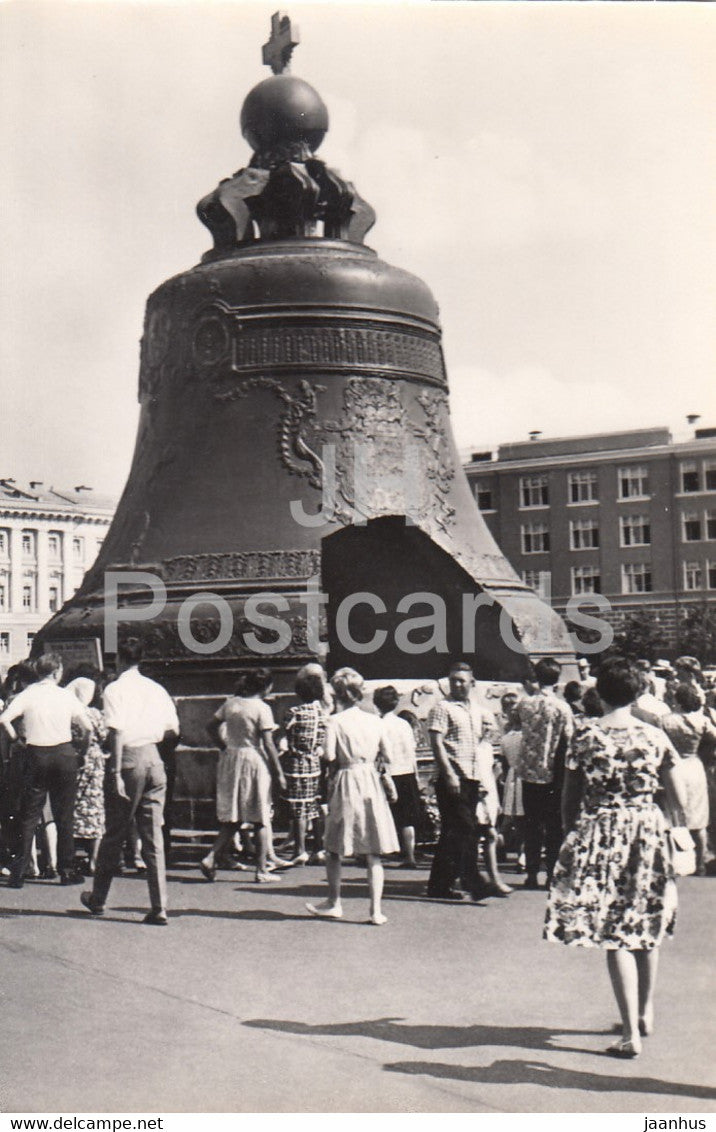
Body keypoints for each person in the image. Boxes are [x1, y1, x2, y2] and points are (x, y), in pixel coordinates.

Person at [544, 659, 687, 1058]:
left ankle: (629, 1034)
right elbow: (678, 797)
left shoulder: (586, 736)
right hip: (647, 831)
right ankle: (645, 1011)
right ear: (639, 691)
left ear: (600, 693)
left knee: (615, 933)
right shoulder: (655, 735)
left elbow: (569, 802)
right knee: (646, 923)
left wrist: (573, 840)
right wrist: (670, 828)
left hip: (602, 832)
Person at [79, 639, 179, 925]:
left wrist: (115, 773)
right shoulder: (157, 689)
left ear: (119, 660)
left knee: (115, 833)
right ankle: (159, 906)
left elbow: (118, 732)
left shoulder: (115, 689)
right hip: (154, 758)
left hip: (128, 759)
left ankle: (98, 898)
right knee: (153, 837)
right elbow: (173, 729)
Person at [307, 667, 399, 925]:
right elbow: (389, 756)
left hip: (347, 779)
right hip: (369, 779)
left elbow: (329, 756)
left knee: (335, 845)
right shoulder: (375, 720)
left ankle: (334, 902)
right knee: (373, 849)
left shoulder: (335, 721)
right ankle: (376, 910)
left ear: (338, 693)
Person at [0, 653, 90, 888]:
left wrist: (16, 739)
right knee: (64, 815)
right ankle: (67, 869)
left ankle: (19, 871)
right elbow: (86, 726)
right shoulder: (65, 695)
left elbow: (4, 719)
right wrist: (81, 749)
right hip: (63, 753)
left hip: (36, 753)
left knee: (29, 814)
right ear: (57, 671)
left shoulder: (28, 694)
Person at [200, 668, 286, 884]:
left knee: (235, 814)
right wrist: (278, 772)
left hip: (232, 757)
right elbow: (268, 744)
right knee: (260, 816)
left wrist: (223, 746)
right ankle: (261, 870)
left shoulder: (232, 703)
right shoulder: (262, 708)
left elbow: (211, 726)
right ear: (266, 687)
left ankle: (211, 857)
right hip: (253, 760)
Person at [426, 661, 498, 901]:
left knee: (452, 832)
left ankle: (439, 885)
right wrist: (448, 774)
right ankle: (473, 881)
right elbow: (437, 743)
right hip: (452, 777)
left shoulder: (476, 710)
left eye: (461, 680)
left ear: (472, 683)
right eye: (453, 680)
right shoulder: (442, 708)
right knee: (466, 827)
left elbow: (480, 742)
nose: (456, 684)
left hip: (472, 776)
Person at [516, 658, 574, 890]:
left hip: (529, 771)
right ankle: (551, 873)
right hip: (554, 772)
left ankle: (531, 873)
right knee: (553, 827)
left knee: (531, 825)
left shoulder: (525, 704)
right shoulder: (562, 707)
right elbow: (569, 738)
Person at [661, 684, 716, 875]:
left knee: (672, 815)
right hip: (694, 766)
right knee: (699, 819)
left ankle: (673, 863)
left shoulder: (666, 721)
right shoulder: (702, 721)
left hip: (672, 767)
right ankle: (700, 862)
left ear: (677, 700)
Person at [282, 669, 327, 865]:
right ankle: (319, 847)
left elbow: (283, 737)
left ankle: (300, 849)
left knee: (298, 807)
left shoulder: (294, 713)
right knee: (315, 804)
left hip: (296, 763)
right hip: (315, 762)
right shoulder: (322, 714)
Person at [373, 685, 420, 869]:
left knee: (385, 814)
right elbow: (411, 751)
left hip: (388, 774)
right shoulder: (404, 724)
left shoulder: (378, 724)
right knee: (407, 817)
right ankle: (409, 855)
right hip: (407, 772)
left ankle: (383, 850)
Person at [67, 675, 109, 875]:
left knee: (72, 807)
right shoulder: (95, 714)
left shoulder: (70, 712)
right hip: (94, 761)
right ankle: (94, 860)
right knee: (95, 807)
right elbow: (104, 735)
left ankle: (71, 856)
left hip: (74, 758)